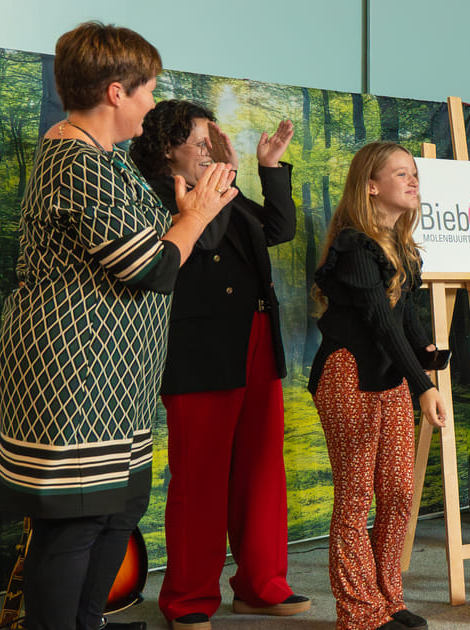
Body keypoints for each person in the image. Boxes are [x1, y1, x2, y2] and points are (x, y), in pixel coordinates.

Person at [0, 23, 237, 630]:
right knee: (75, 524)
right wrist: (197, 214)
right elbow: (151, 267)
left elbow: (156, 244)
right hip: (71, 374)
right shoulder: (75, 162)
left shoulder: (109, 162)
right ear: (115, 92)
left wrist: (183, 215)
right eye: (148, 90)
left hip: (118, 380)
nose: (153, 103)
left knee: (117, 513)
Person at [129, 101, 308, 628]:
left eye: (214, 144)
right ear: (168, 150)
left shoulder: (223, 194)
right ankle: (187, 599)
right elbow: (198, 239)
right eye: (201, 145)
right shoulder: (156, 196)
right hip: (199, 351)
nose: (212, 154)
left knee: (261, 470)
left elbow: (279, 228)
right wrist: (215, 189)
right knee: (200, 480)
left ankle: (260, 585)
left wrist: (267, 168)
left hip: (255, 341)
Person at [308, 141, 448, 630]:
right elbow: (376, 323)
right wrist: (422, 384)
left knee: (397, 493)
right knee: (355, 495)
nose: (413, 181)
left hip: (387, 378)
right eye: (400, 174)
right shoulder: (354, 246)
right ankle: (359, 612)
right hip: (348, 375)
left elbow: (404, 319)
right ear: (371, 186)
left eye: (414, 174)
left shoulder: (401, 246)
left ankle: (388, 599)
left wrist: (427, 353)